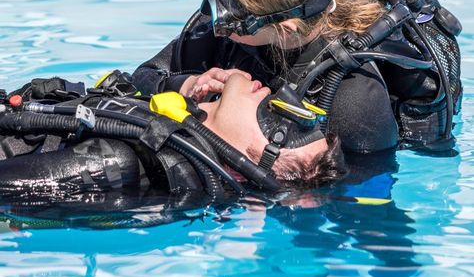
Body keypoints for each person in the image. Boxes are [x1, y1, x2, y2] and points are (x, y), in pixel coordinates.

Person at [132, 0, 462, 154]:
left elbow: (363, 206)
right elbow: (143, 78)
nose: (218, 20)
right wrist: (186, 85)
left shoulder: (353, 97)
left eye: (233, 13)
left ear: (284, 27)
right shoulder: (236, 31)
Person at [0, 73, 346, 204]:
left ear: (244, 165)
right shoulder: (164, 124)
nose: (277, 94)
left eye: (280, 121)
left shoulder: (115, 164)